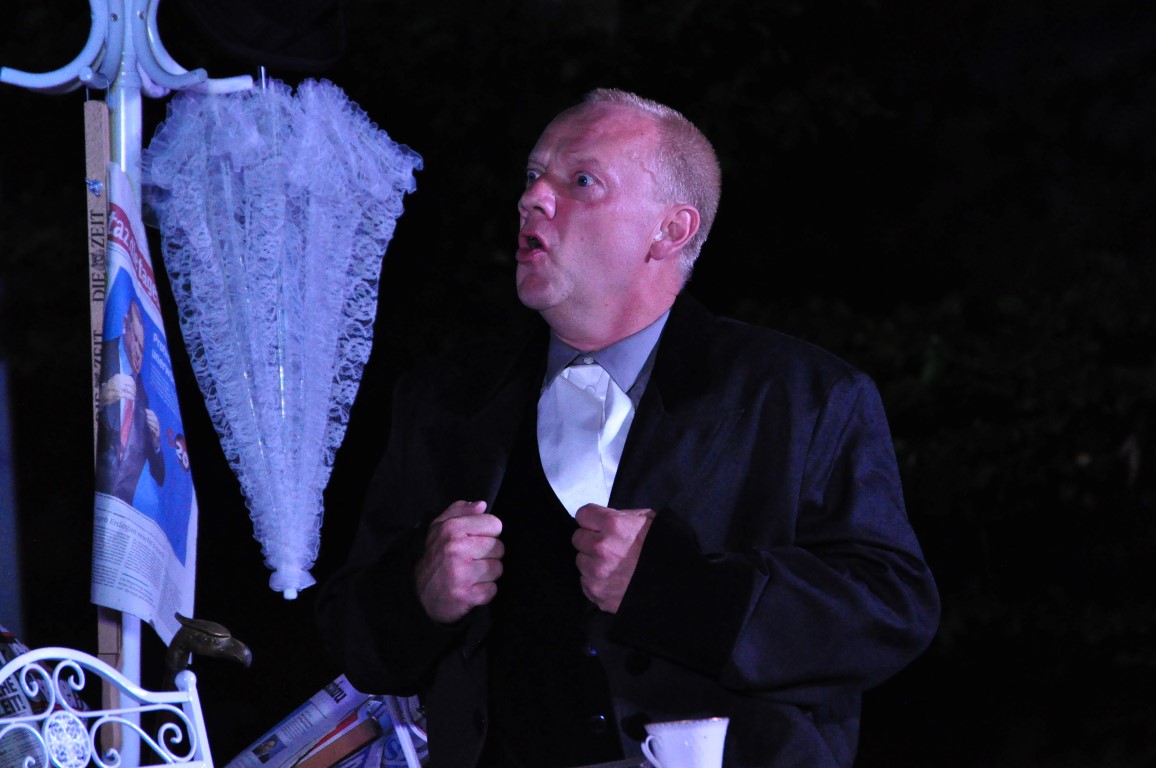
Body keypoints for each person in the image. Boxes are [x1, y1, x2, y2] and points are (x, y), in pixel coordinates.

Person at [316, 88, 940, 768]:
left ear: (669, 231)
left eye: (581, 181)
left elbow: (888, 611)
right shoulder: (444, 399)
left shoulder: (800, 395)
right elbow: (352, 636)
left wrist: (684, 594)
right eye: (533, 176)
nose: (533, 199)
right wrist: (419, 593)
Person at [95, 297, 165, 505]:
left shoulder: (143, 395)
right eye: (136, 342)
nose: (138, 354)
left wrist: (156, 443)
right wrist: (102, 396)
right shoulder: (99, 353)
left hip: (123, 512)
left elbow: (160, 475)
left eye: (143, 348)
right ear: (125, 325)